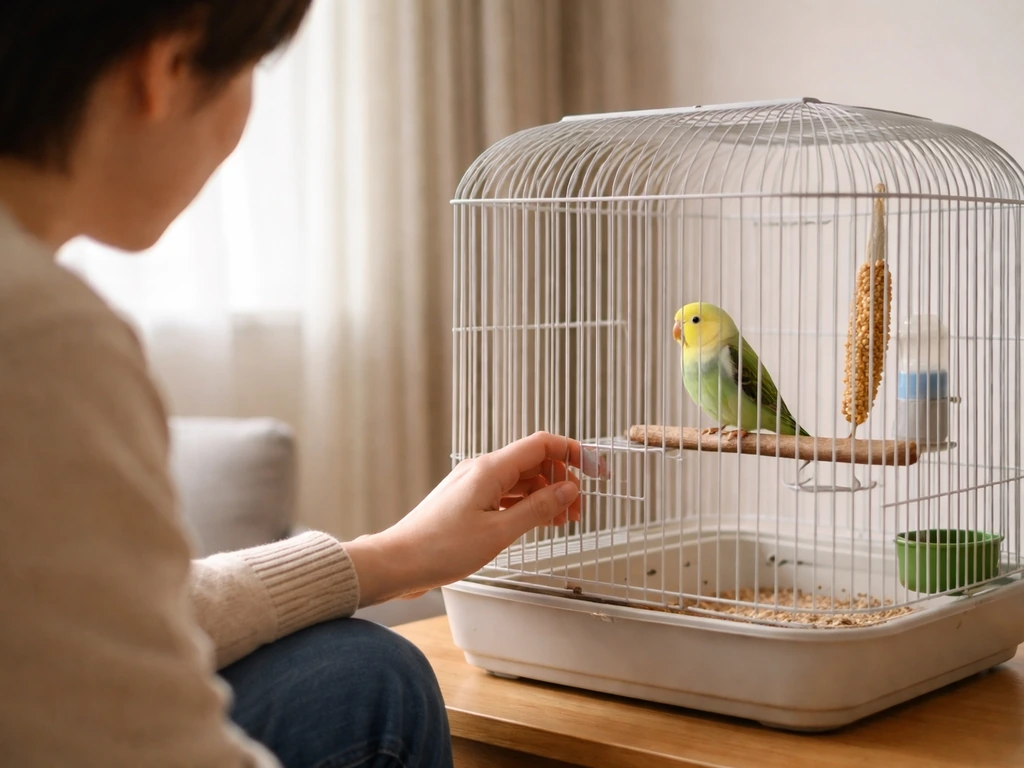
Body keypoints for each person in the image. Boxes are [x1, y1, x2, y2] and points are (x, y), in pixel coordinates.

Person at [0, 2, 600, 766]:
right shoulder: (45, 337)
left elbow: (110, 617)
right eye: (253, 66)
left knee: (361, 674)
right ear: (167, 66)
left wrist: (395, 555)